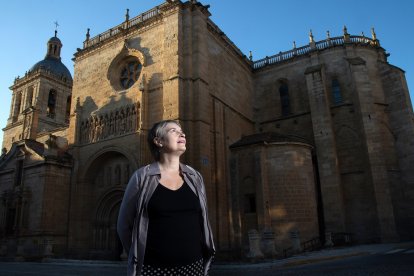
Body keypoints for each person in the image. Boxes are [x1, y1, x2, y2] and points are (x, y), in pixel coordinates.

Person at [117, 120, 215, 276]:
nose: (182, 133)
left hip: (194, 267)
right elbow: (123, 226)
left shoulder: (195, 177)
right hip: (153, 269)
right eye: (173, 131)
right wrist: (140, 257)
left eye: (182, 131)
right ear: (158, 141)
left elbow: (202, 219)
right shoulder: (142, 177)